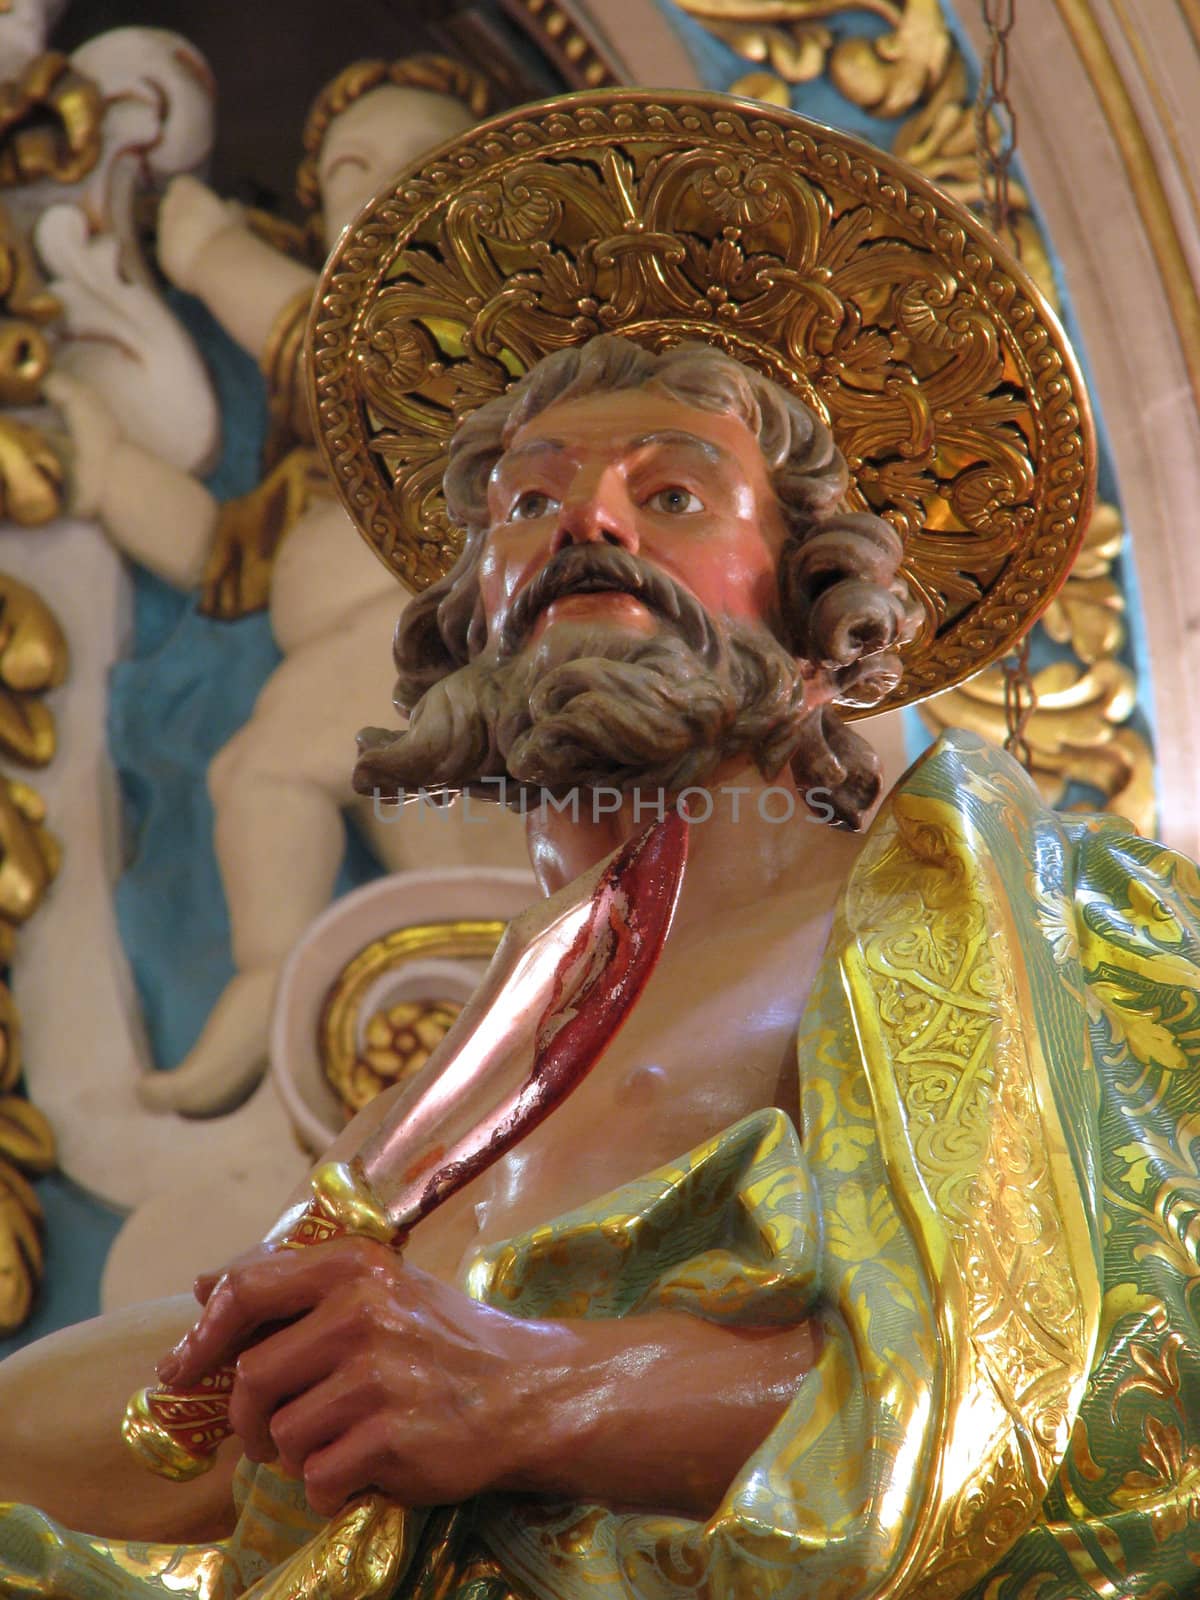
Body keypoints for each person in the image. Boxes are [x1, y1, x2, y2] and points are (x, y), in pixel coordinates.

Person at [2, 333, 1199, 1600]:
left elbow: (1125, 1373)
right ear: (469, 611)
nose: (590, 519)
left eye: (672, 494)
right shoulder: (485, 1046)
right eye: (530, 500)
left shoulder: (999, 903)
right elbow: (226, 1433)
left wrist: (538, 1389)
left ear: (813, 596)